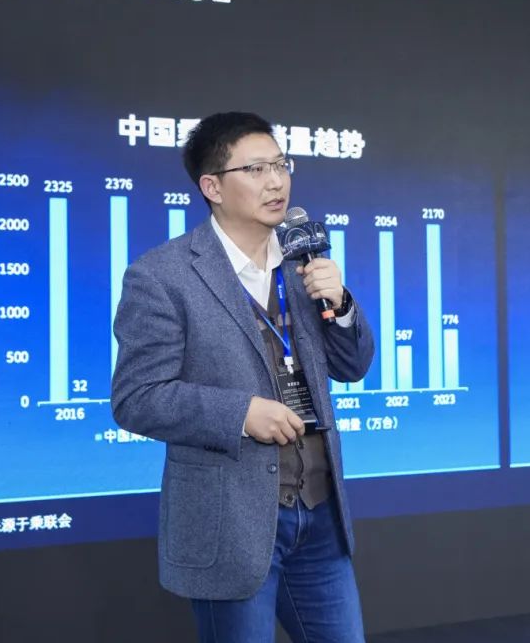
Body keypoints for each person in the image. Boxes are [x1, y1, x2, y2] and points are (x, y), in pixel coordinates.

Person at [111, 111, 374, 642]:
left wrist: (341, 303)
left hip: (320, 513)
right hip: (231, 522)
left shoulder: (303, 265)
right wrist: (241, 414)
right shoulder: (162, 276)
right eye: (255, 169)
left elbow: (353, 367)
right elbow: (137, 397)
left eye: (281, 164)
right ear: (212, 187)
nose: (276, 181)